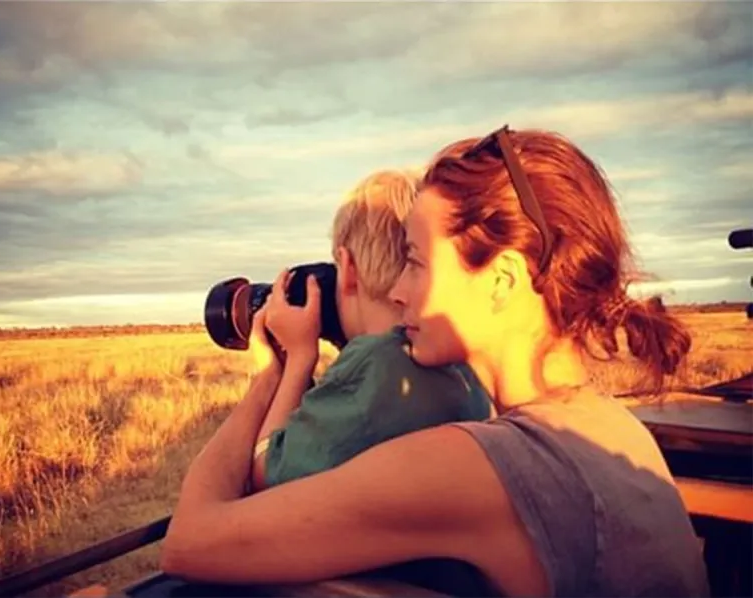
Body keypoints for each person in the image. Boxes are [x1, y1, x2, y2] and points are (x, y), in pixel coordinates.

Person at [161, 126, 709, 597]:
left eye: (417, 264)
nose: (398, 291)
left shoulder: (474, 466)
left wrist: (268, 376)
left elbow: (189, 543)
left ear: (502, 281)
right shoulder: (608, 425)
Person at [248, 169, 490, 491]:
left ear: (347, 268)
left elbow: (267, 472)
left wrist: (296, 359)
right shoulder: (453, 357)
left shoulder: (372, 362)